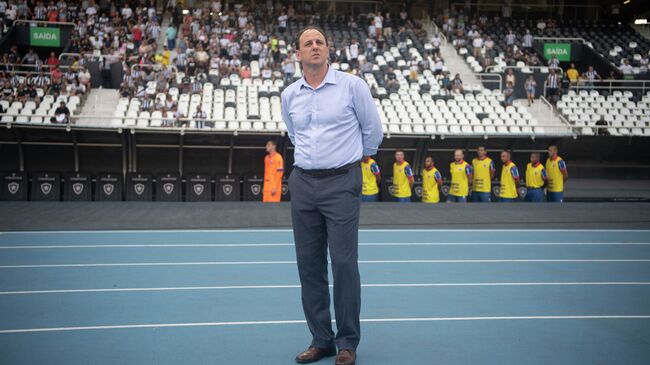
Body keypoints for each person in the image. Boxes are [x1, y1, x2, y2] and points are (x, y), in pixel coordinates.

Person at [281, 26, 383, 365]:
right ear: (298, 54)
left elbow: (373, 133)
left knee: (342, 264)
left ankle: (347, 342)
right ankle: (320, 339)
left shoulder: (352, 86)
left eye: (319, 42)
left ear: (328, 49)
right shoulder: (289, 95)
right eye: (307, 43)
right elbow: (295, 136)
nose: (314, 47)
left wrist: (349, 163)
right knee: (309, 267)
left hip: (341, 183)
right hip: (303, 184)